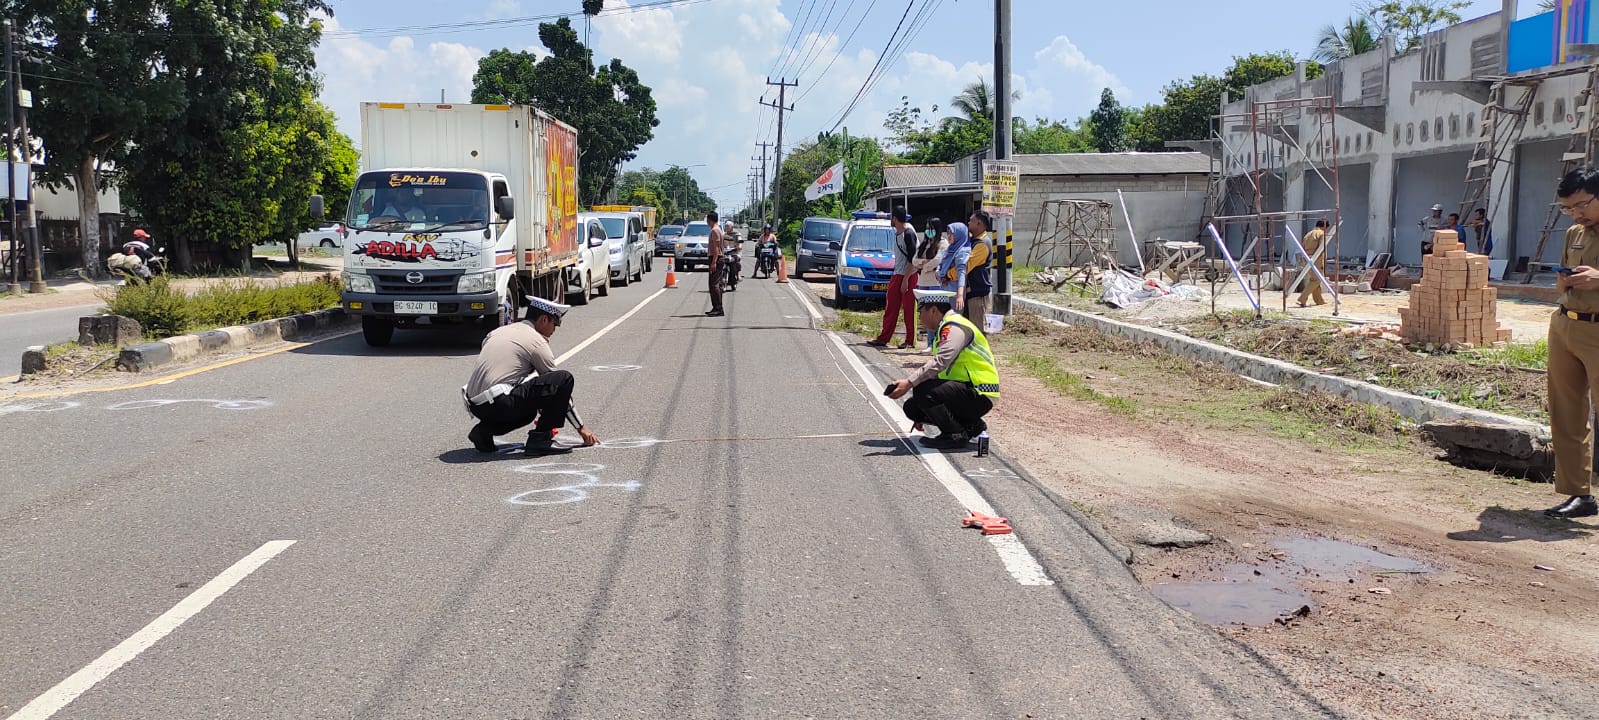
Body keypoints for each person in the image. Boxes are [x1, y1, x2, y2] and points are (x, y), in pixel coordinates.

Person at [462, 295, 601, 456]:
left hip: (475, 405)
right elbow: (557, 388)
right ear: (543, 320)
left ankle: (483, 432)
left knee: (527, 413)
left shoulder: (498, 332)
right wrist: (581, 428)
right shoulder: (536, 341)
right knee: (563, 379)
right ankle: (540, 439)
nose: (554, 330)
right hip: (498, 402)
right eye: (555, 323)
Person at [1542, 168, 1599, 519]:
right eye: (1568, 209)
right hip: (1566, 325)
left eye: (1581, 205)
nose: (1576, 214)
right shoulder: (1574, 234)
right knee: (1566, 413)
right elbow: (1563, 279)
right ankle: (1579, 494)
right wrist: (1564, 282)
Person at [886, 289, 1000, 449]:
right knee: (913, 407)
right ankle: (971, 425)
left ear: (933, 310)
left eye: (921, 312)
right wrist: (923, 405)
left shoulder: (954, 327)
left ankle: (954, 435)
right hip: (968, 390)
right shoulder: (946, 327)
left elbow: (940, 361)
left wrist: (909, 383)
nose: (920, 318)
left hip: (980, 391)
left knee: (922, 389)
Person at [871, 206, 920, 349]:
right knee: (891, 307)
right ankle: (884, 338)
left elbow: (913, 259)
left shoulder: (908, 233)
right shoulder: (898, 232)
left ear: (895, 218)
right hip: (897, 273)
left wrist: (905, 280)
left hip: (908, 275)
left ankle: (910, 340)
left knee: (909, 309)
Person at [963, 210, 996, 324]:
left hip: (977, 294)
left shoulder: (982, 244)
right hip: (970, 293)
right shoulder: (973, 241)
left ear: (979, 224)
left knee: (978, 328)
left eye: (971, 221)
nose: (968, 223)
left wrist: (948, 275)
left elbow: (967, 265)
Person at [1296, 220, 1329, 308]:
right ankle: (1302, 298)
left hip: (1306, 259)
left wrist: (1305, 258)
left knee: (1314, 280)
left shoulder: (1308, 234)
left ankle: (1319, 300)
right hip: (1316, 260)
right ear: (1324, 226)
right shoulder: (1321, 234)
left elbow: (1302, 248)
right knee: (1316, 280)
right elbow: (1322, 248)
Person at [911, 217, 949, 290]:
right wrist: (923, 261)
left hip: (935, 282)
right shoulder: (924, 244)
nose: (928, 230)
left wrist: (923, 267)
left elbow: (937, 260)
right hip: (922, 282)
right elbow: (914, 260)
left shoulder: (943, 243)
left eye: (930, 228)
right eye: (927, 228)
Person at [706, 210, 726, 317]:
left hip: (716, 259)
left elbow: (716, 247)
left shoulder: (715, 230)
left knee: (714, 285)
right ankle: (716, 307)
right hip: (717, 258)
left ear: (710, 220)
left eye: (707, 219)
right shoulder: (717, 230)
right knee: (716, 284)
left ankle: (718, 308)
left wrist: (714, 262)